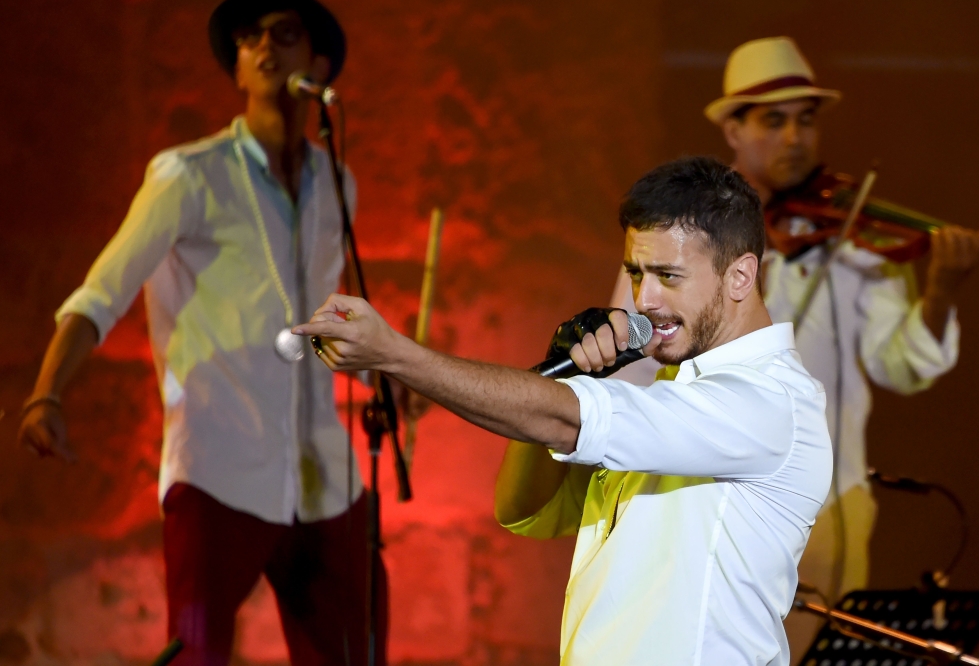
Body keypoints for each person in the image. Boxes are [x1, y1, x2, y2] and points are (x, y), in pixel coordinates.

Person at [295, 156, 834, 665]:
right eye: (635, 272)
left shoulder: (770, 402)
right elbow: (522, 510)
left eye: (668, 276)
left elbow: (566, 419)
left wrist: (395, 355)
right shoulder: (673, 392)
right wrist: (561, 370)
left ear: (741, 276)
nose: (643, 299)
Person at [17, 0, 387, 666]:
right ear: (237, 68)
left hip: (323, 474)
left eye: (284, 33)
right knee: (196, 656)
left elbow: (328, 317)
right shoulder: (188, 175)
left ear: (321, 64)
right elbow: (103, 290)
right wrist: (48, 391)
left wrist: (391, 375)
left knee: (352, 653)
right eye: (250, 39)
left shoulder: (341, 183)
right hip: (218, 468)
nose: (265, 47)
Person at [610, 36, 979, 661]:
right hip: (707, 486)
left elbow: (901, 365)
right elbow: (633, 359)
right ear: (732, 129)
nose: (794, 139)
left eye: (806, 121)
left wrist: (941, 292)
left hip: (831, 497)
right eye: (773, 121)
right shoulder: (679, 242)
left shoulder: (855, 235)